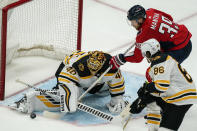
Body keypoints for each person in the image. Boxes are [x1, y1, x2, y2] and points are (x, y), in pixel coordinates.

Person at [11, 51, 127, 115]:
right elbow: (66, 81)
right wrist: (69, 95)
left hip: (95, 83)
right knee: (65, 103)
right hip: (72, 77)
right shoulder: (73, 67)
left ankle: (78, 91)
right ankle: (30, 101)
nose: (91, 71)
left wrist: (117, 99)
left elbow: (117, 81)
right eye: (89, 69)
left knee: (105, 91)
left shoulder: (110, 68)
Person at [129, 39, 197, 131]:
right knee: (149, 97)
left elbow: (161, 86)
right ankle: (155, 118)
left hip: (180, 98)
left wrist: (147, 87)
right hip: (181, 94)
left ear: (148, 53)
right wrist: (144, 97)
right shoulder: (164, 58)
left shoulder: (159, 62)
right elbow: (160, 89)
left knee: (165, 128)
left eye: (145, 54)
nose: (146, 57)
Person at [110, 5, 192, 70]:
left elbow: (137, 57)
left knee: (155, 73)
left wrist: (122, 58)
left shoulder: (144, 33)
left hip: (179, 51)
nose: (132, 24)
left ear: (140, 19)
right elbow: (170, 18)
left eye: (133, 21)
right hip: (186, 39)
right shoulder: (150, 11)